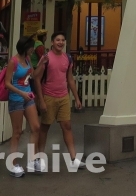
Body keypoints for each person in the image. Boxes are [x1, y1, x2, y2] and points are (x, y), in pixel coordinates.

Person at [32, 31, 82, 173]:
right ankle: (40, 159)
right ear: (52, 42)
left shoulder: (68, 58)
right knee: (45, 127)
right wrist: (41, 100)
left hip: (63, 96)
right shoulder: (46, 58)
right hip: (48, 96)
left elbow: (70, 79)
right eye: (57, 40)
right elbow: (37, 78)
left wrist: (76, 98)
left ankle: (73, 158)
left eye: (62, 40)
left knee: (67, 126)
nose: (60, 42)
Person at [5, 36, 41, 178]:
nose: (33, 49)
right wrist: (21, 93)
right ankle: (12, 164)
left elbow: (33, 75)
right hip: (16, 99)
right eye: (31, 47)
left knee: (35, 127)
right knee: (17, 132)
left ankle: (32, 160)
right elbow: (7, 83)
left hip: (28, 97)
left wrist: (42, 63)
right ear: (25, 47)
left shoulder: (27, 59)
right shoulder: (13, 61)